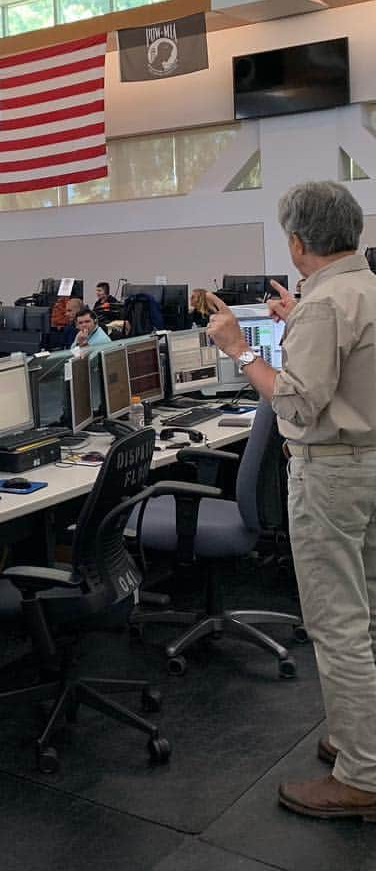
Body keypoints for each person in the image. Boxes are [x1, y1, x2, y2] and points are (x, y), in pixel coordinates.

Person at [206, 180, 376, 821]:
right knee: (371, 615)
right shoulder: (363, 289)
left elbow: (294, 401)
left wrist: (238, 347)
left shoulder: (325, 304)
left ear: (297, 242)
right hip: (372, 464)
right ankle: (366, 741)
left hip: (331, 474)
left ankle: (362, 775)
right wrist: (295, 322)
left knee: (337, 626)